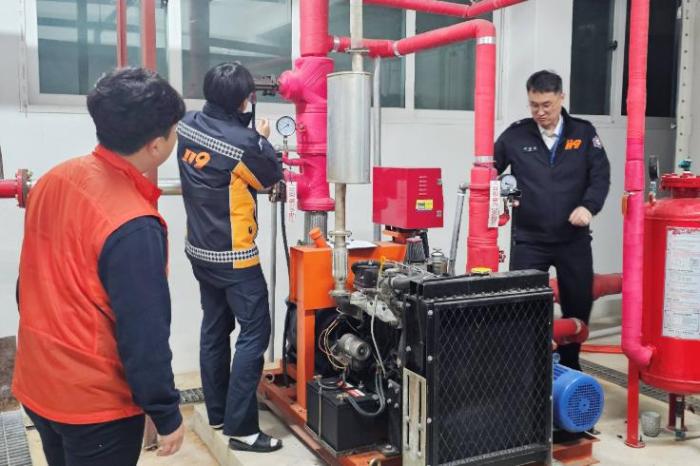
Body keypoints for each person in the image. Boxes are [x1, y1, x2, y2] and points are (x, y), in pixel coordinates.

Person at [12, 67, 186, 466]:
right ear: (156, 145)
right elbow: (144, 334)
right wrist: (165, 413)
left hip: (38, 381)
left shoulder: (55, 179)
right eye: (175, 130)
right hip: (95, 407)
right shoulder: (133, 223)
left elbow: (28, 283)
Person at [177, 62, 283, 453]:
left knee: (215, 327)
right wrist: (262, 138)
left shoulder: (187, 124)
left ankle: (219, 412)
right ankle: (244, 430)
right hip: (235, 257)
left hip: (199, 250)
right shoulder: (243, 143)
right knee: (255, 334)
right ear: (244, 99)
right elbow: (269, 175)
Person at [495, 70, 611, 371]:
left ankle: (570, 365)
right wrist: (499, 196)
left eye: (546, 104)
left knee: (578, 301)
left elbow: (600, 176)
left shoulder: (583, 133)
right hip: (529, 239)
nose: (540, 112)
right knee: (521, 302)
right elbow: (487, 171)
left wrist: (588, 207)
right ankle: (526, 368)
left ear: (561, 97)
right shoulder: (516, 135)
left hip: (573, 239)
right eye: (534, 105)